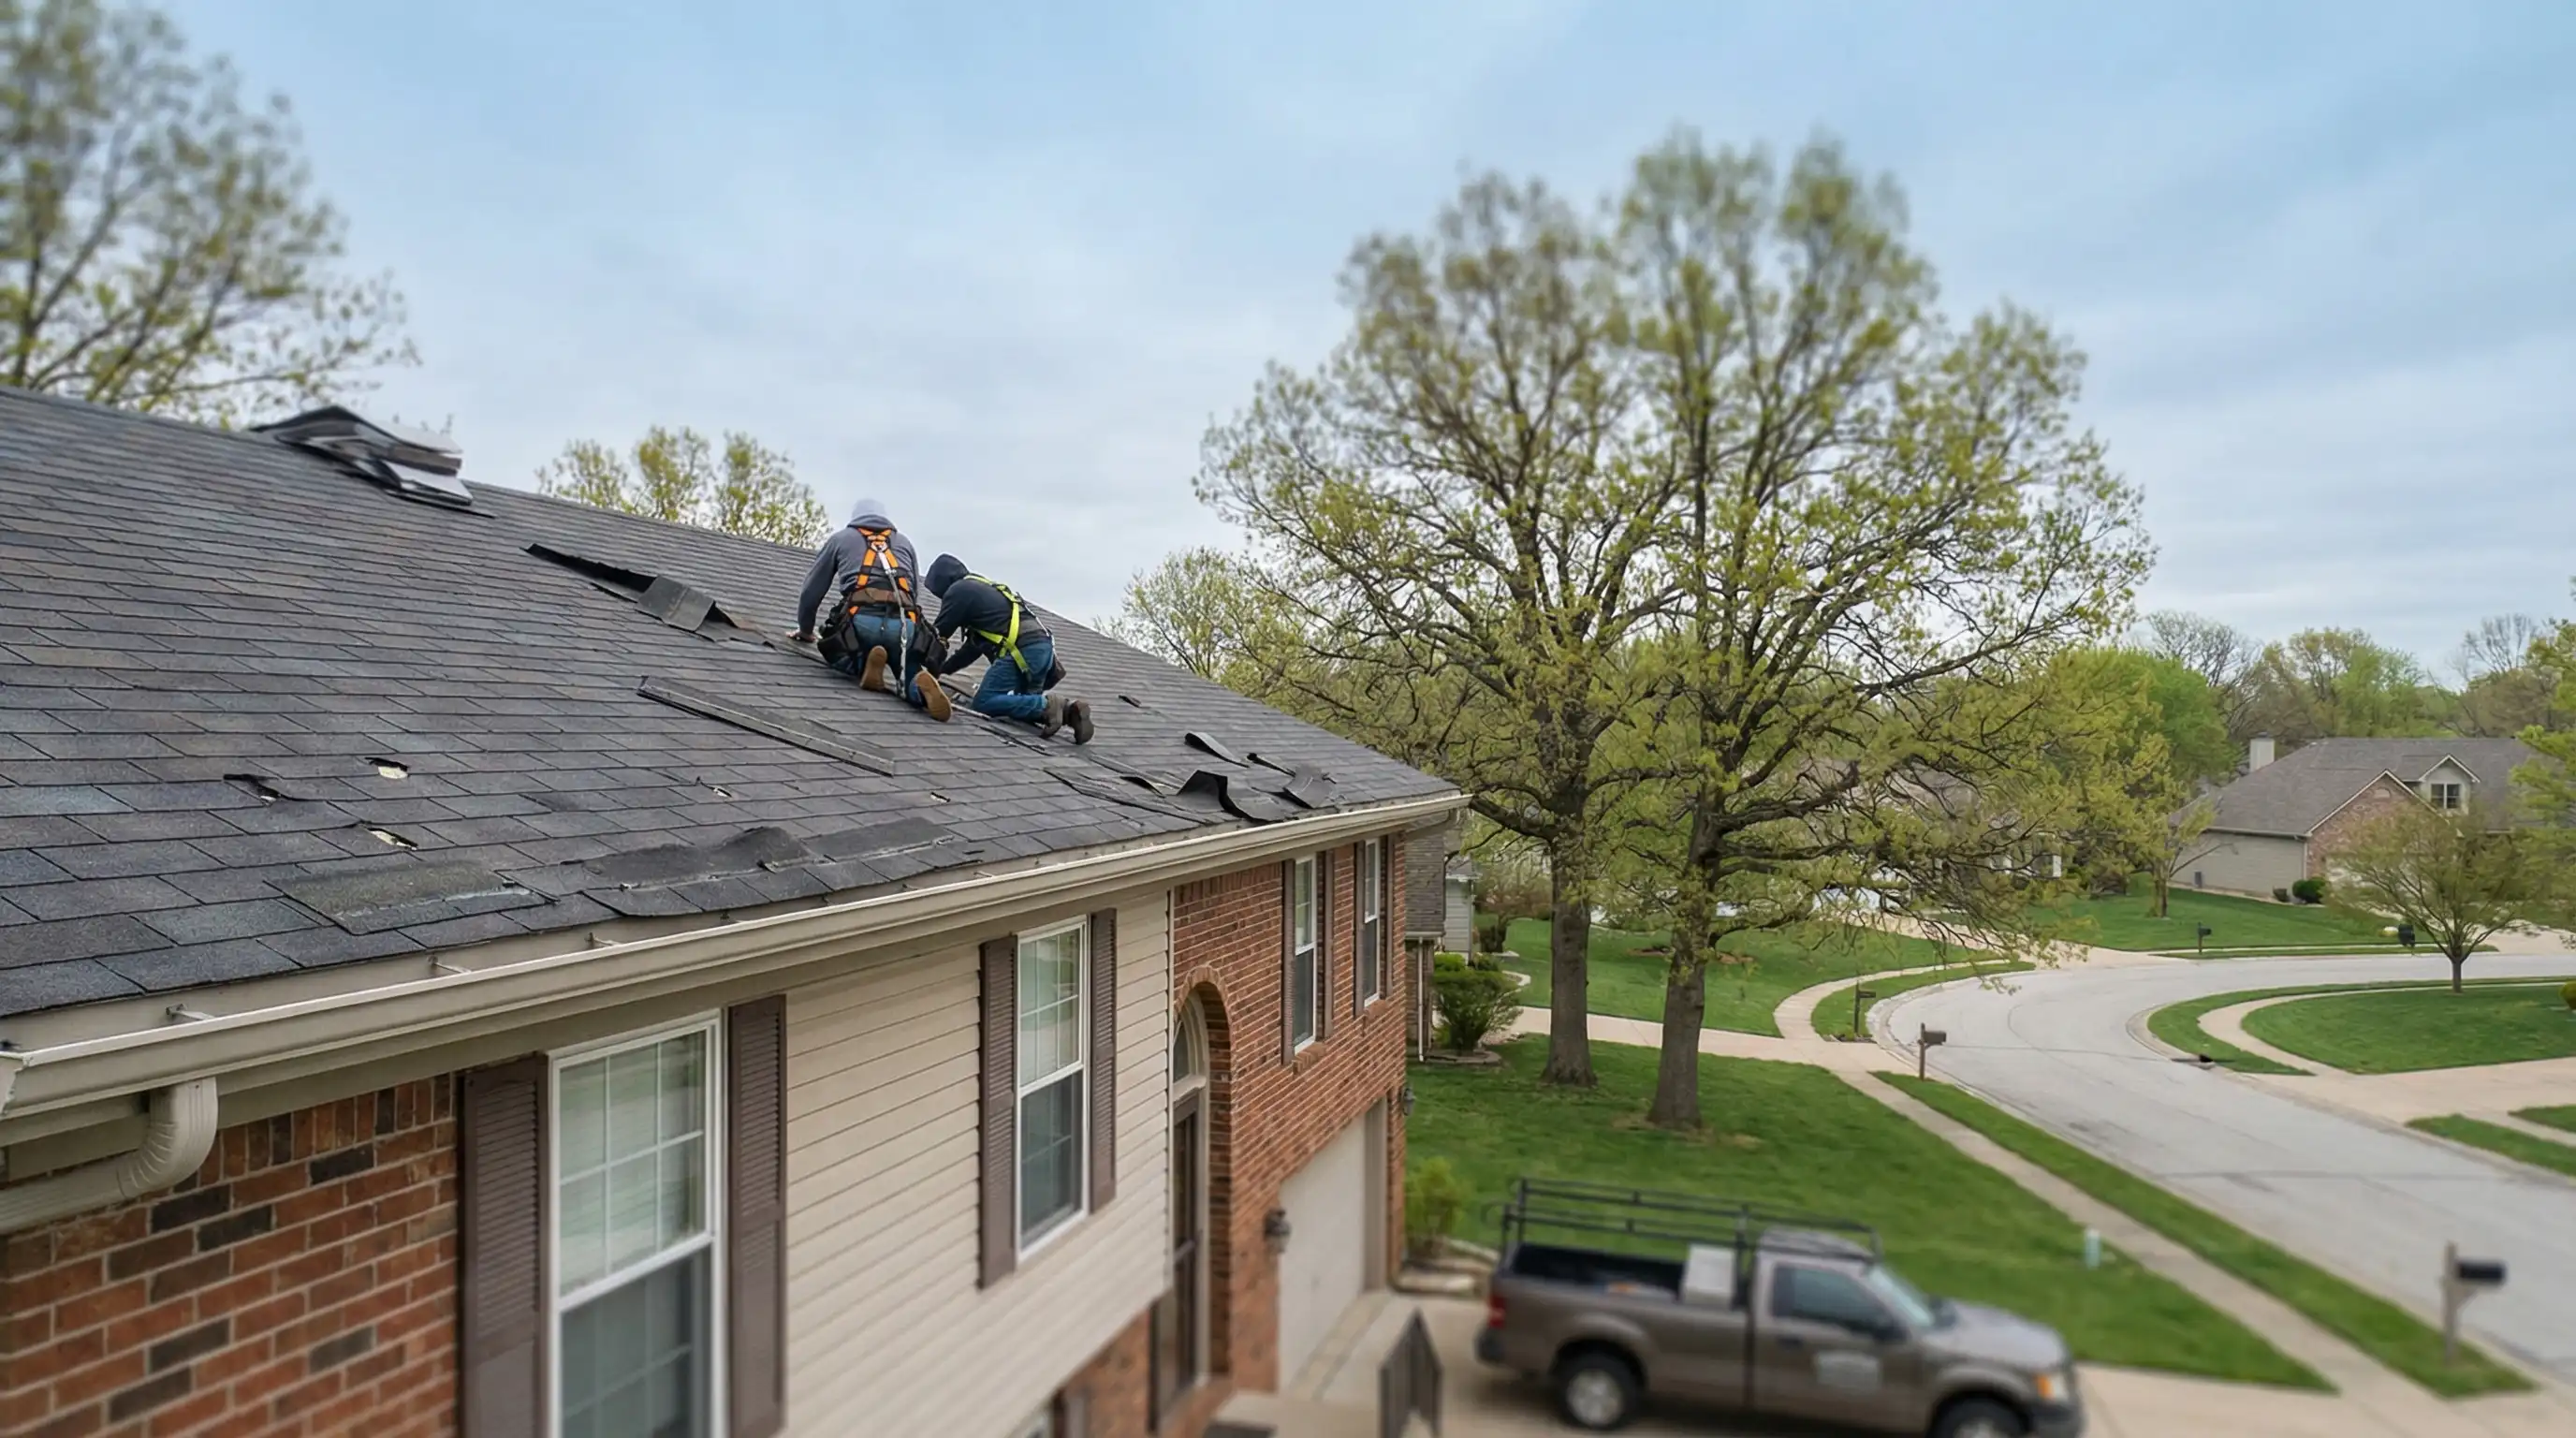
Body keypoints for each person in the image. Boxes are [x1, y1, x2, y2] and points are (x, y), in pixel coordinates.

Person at [791, 499, 951, 721]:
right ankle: (918, 687)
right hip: (905, 625)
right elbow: (914, 594)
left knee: (836, 652)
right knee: (907, 670)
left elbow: (811, 591)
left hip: (861, 621)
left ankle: (861, 665)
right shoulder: (904, 542)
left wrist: (805, 630)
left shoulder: (841, 539)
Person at [924, 553, 1093, 742]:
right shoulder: (982, 591)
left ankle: (1050, 705)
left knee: (984, 701)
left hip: (1022, 651)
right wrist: (943, 670)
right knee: (1020, 708)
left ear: (942, 582)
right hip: (1042, 651)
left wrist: (925, 666)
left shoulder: (959, 591)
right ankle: (1070, 712)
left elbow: (938, 634)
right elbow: (971, 650)